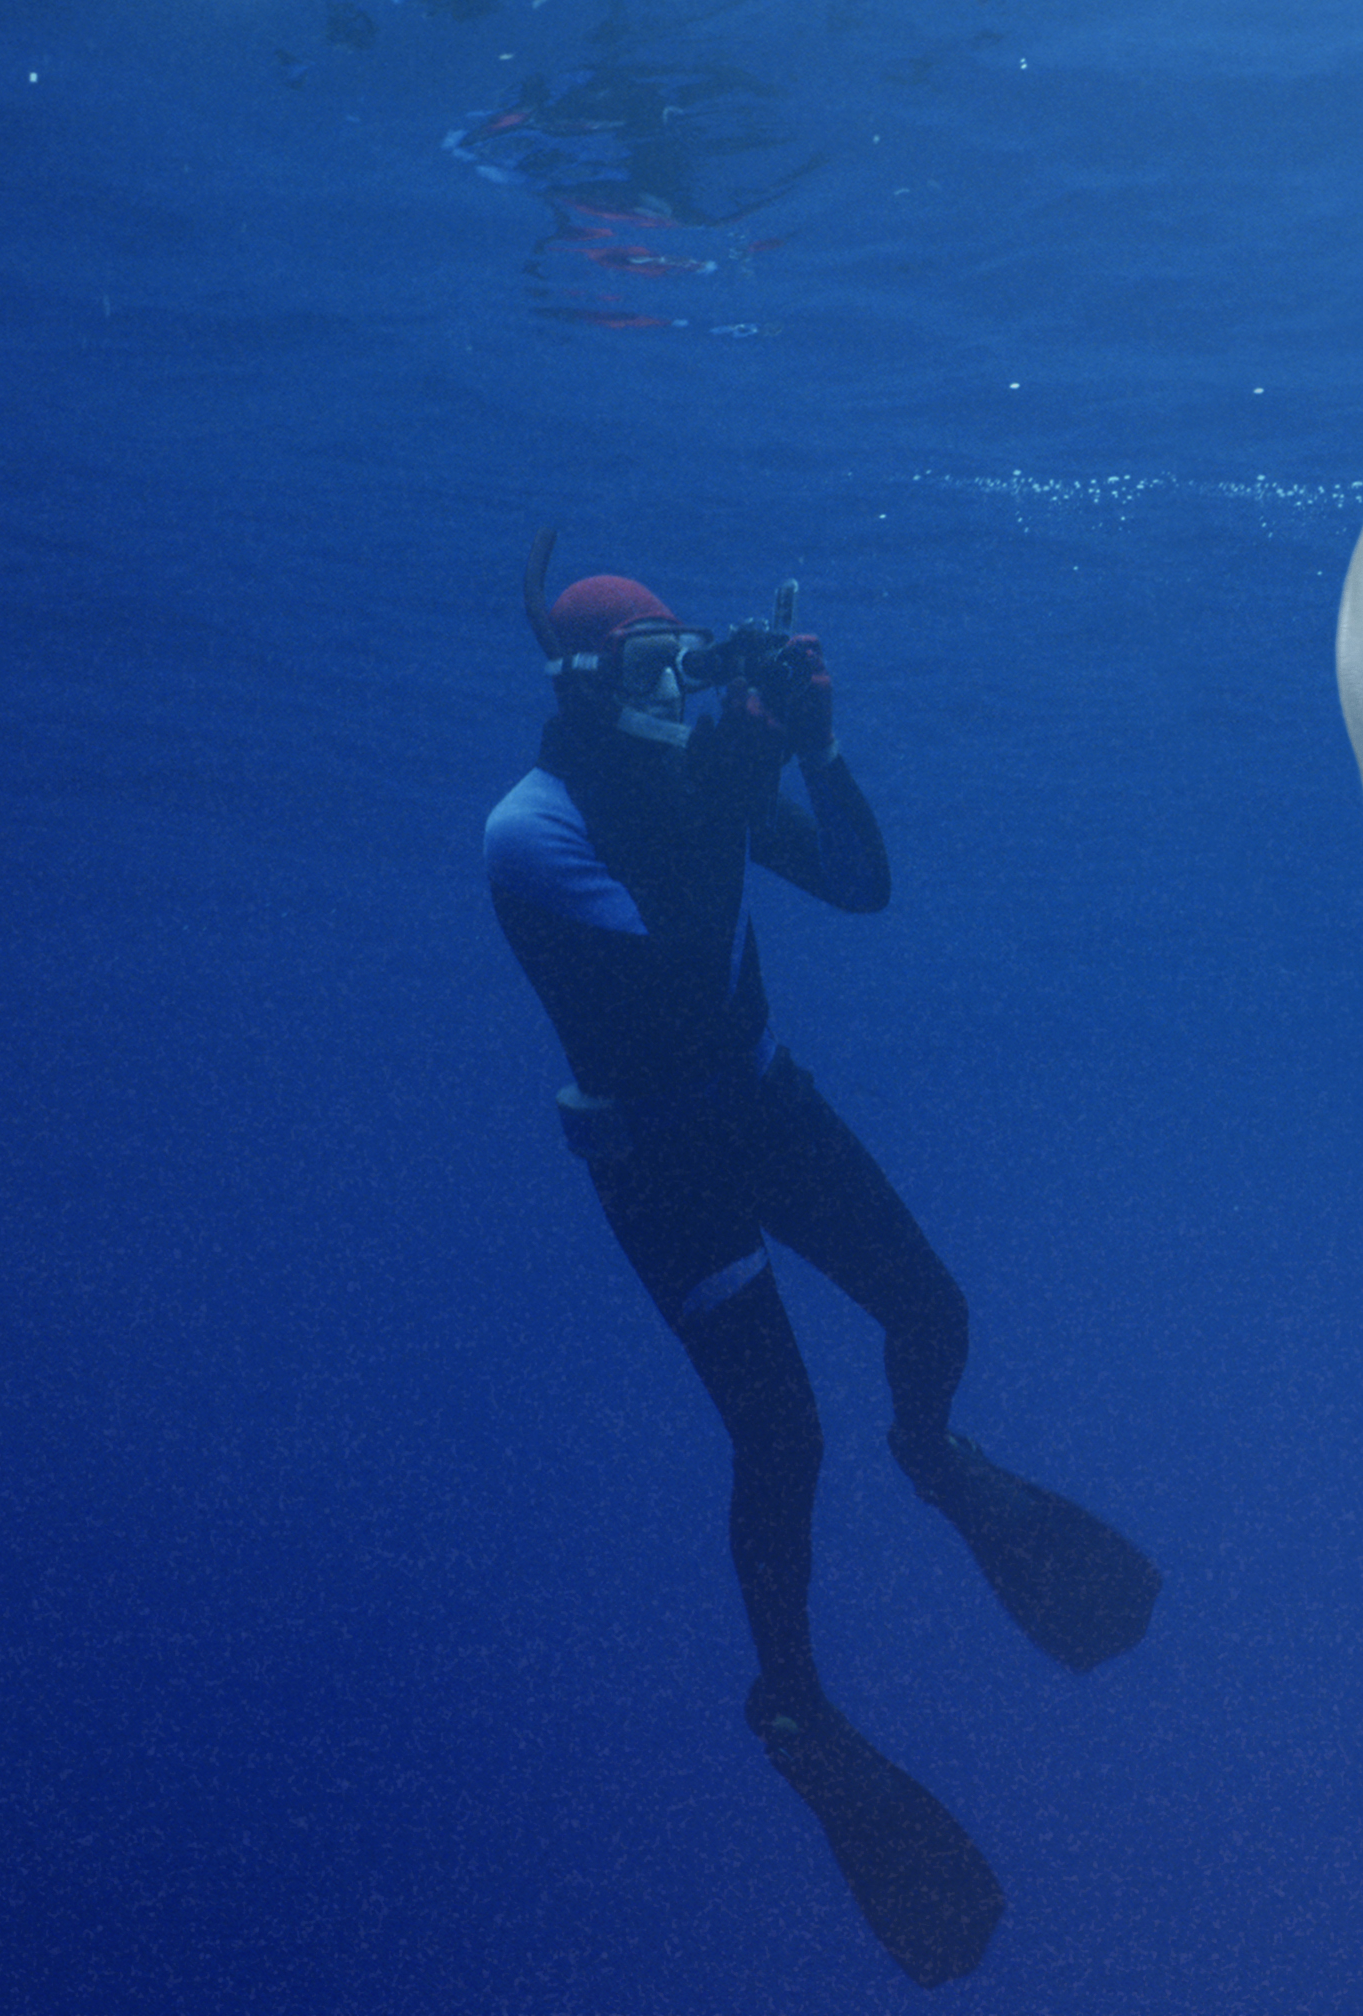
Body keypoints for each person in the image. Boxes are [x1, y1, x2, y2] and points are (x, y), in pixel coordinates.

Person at [483, 547, 1158, 1987]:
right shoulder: (529, 828)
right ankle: (790, 1701)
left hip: (767, 1102)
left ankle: (930, 1449)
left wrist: (821, 752)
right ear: (587, 688)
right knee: (781, 1436)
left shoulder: (690, 782)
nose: (681, 693)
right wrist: (735, 777)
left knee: (933, 1309)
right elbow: (665, 982)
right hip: (659, 1162)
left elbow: (859, 885)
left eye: (691, 662)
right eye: (652, 672)